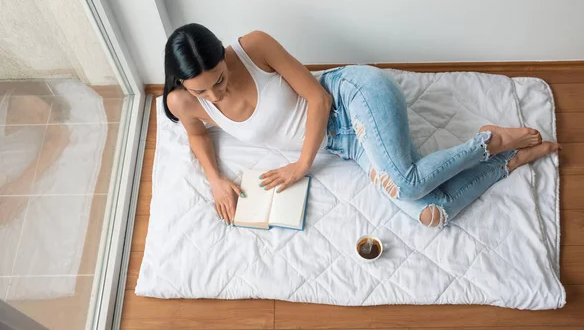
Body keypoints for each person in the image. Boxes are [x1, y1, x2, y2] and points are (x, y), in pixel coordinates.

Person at [163, 23, 560, 228]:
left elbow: (319, 99)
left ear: (221, 54)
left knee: (407, 183)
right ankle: (506, 161)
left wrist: (301, 165)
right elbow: (196, 133)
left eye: (219, 79)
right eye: (202, 91)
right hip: (346, 143)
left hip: (352, 95)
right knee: (431, 214)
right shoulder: (183, 101)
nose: (214, 95)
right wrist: (215, 178)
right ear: (183, 84)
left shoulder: (253, 46)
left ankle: (487, 141)